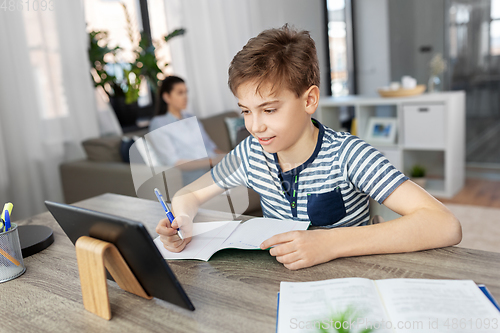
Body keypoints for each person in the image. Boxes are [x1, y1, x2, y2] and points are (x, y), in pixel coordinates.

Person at [156, 25, 462, 270]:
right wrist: (182, 219)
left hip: (349, 279)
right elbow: (189, 194)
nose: (255, 126)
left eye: (270, 110)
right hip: (281, 281)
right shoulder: (251, 154)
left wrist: (329, 243)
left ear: (309, 100)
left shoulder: (348, 155)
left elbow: (445, 224)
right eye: (246, 111)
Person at [148, 76, 225, 185]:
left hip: (215, 166)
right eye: (180, 93)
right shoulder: (159, 123)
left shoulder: (191, 118)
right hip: (195, 174)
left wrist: (228, 157)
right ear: (166, 97)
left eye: (186, 92)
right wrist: (212, 161)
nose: (185, 97)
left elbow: (210, 146)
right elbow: (174, 162)